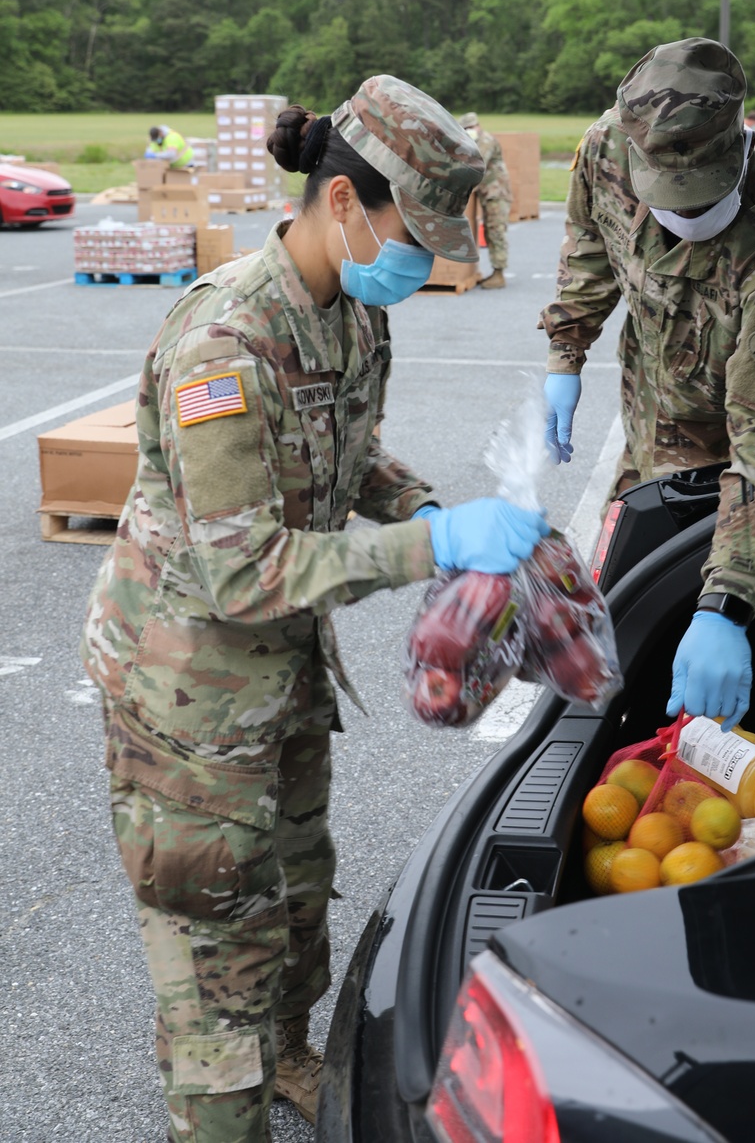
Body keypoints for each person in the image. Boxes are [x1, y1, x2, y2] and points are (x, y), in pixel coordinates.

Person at [81, 75, 548, 1143]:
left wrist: (432, 508)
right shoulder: (226, 346)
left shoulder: (348, 312)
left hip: (281, 665)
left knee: (296, 891)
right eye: (412, 236)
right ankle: (221, 1116)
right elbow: (237, 571)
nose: (423, 265)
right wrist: (428, 546)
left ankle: (288, 1054)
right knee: (218, 947)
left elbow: (349, 451)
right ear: (342, 203)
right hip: (186, 695)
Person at [539, 38, 755, 730]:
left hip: (734, 451)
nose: (682, 216)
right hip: (648, 416)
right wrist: (566, 353)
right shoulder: (608, 147)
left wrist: (730, 603)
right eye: (666, 194)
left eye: (700, 195)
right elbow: (589, 241)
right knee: (620, 621)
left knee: (717, 639)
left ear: (738, 146)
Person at [459, 111, 513, 289]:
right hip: (489, 193)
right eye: (466, 129)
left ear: (477, 126)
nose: (469, 131)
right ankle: (496, 271)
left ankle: (499, 274)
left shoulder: (485, 141)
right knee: (491, 231)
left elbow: (477, 165)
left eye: (471, 127)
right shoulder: (474, 142)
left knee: (496, 231)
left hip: (496, 193)